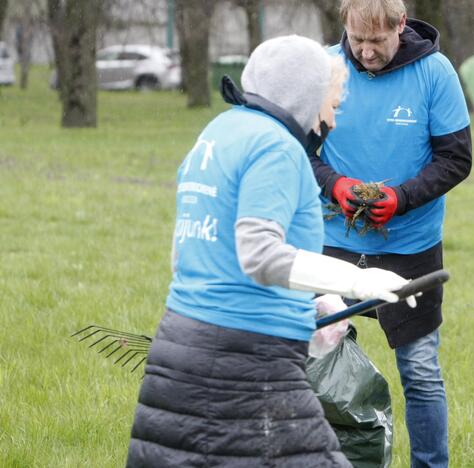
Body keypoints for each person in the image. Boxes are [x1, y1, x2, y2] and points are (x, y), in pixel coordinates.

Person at [126, 35, 416, 467]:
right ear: (307, 97)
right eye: (332, 103)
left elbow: (187, 256)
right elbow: (259, 255)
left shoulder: (217, 133)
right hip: (248, 365)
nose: (333, 116)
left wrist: (306, 302)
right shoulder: (276, 147)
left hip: (179, 350)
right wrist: (358, 280)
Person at [307, 0, 472, 466]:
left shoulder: (435, 73)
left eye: (376, 40)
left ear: (401, 25)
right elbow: (302, 151)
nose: (364, 52)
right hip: (334, 243)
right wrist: (334, 186)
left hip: (408, 247)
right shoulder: (326, 67)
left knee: (420, 371)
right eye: (356, 39)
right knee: (315, 360)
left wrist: (400, 198)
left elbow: (456, 160)